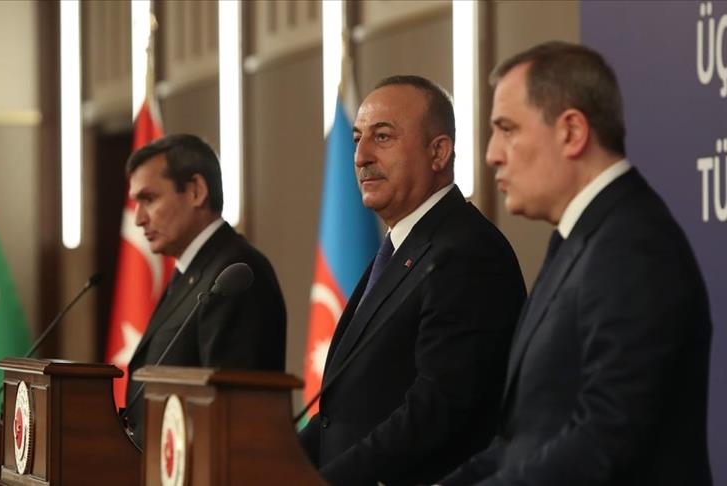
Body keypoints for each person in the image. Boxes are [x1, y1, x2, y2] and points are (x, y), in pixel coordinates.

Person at [439, 41, 713, 485]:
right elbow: (523, 440)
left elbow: (606, 440)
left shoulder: (633, 246)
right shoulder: (580, 238)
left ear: (571, 132)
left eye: (507, 129)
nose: (492, 154)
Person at [298, 75, 526, 485]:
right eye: (357, 139)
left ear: (438, 152)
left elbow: (438, 408)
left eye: (382, 137)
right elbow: (344, 413)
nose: (361, 156)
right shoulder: (400, 249)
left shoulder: (466, 252)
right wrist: (273, 465)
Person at [123, 133, 287, 448]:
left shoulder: (235, 274)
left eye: (149, 199)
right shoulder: (192, 271)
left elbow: (234, 407)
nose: (140, 219)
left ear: (196, 191)